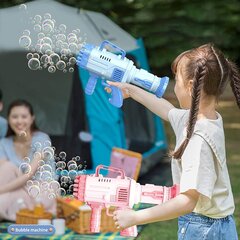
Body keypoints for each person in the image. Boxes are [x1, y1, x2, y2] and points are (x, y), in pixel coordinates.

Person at [107, 44, 239, 239]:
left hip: (204, 228)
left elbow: (187, 201)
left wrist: (135, 217)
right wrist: (131, 90)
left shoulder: (197, 140)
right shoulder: (207, 119)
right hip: (216, 225)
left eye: (176, 80)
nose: (173, 86)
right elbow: (166, 109)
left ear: (190, 86)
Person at [0, 99, 56, 221]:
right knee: (6, 168)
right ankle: (11, 208)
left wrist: (1, 190)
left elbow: (29, 174)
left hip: (40, 189)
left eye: (24, 117)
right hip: (16, 188)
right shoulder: (4, 143)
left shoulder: (42, 139)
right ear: (9, 120)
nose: (19, 121)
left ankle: (12, 209)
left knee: (3, 203)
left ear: (32, 119)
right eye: (15, 117)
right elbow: (3, 174)